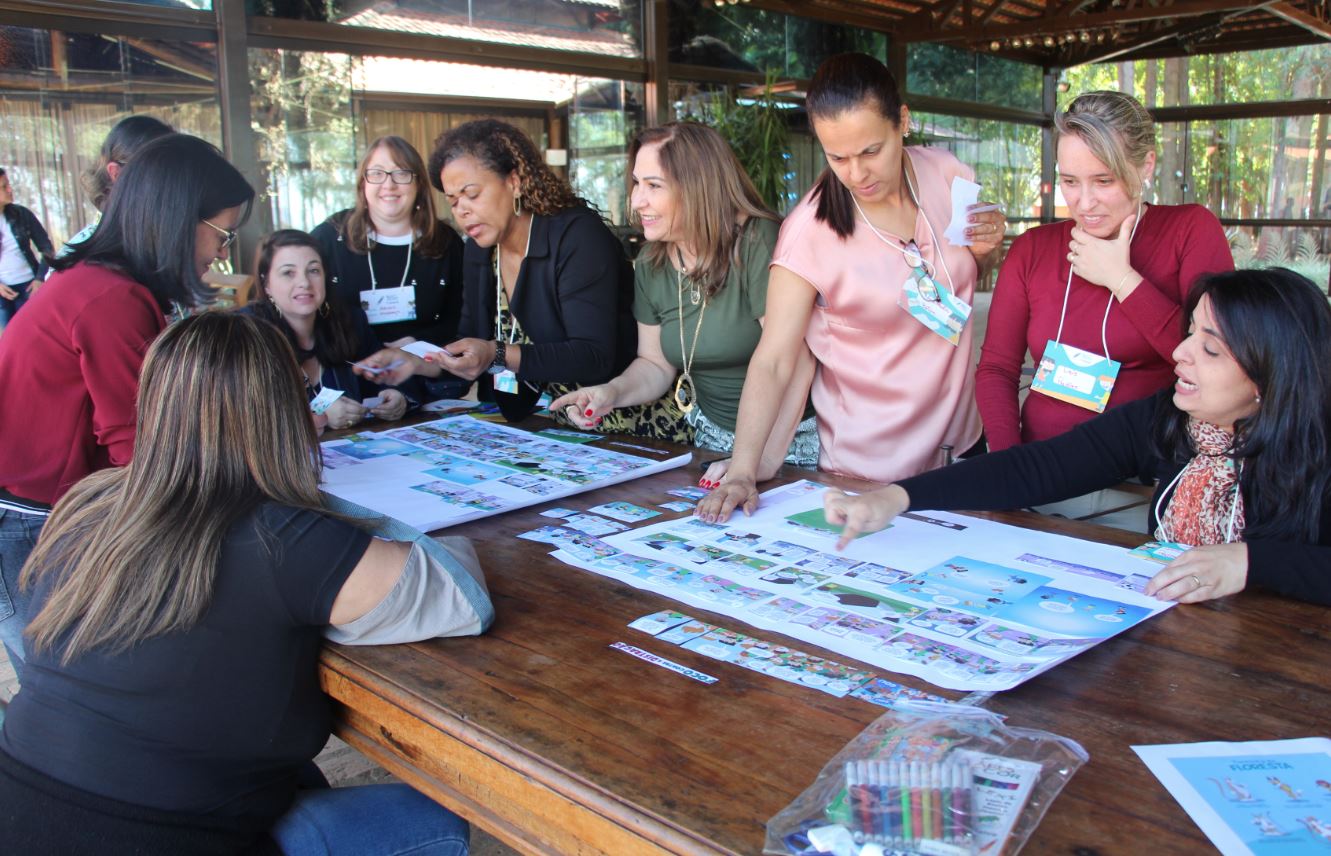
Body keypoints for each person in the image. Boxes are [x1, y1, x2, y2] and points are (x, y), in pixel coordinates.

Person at [0, 311, 491, 854]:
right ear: (282, 412)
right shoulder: (284, 536)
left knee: (300, 782)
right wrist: (306, 500)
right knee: (427, 823)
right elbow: (460, 595)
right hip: (154, 836)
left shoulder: (88, 504)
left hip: (22, 811)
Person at [821, 268, 1331, 608]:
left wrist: (1251, 560)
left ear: (1271, 376)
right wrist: (901, 495)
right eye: (1190, 332)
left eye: (1211, 349)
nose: (1180, 353)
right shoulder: (1169, 421)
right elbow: (1035, 470)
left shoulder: (1318, 448)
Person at [698, 53, 1006, 522]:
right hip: (866, 472)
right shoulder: (811, 231)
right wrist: (743, 468)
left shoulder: (947, 174)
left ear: (902, 121)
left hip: (961, 447)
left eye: (870, 151)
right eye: (837, 157)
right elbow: (775, 357)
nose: (856, 174)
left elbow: (970, 275)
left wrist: (990, 244)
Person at [0, 133, 254, 673]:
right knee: (65, 687)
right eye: (222, 235)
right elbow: (137, 450)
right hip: (28, 520)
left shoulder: (104, 282)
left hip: (45, 507)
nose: (223, 254)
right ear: (176, 220)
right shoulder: (111, 299)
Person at [550, 122, 817, 478]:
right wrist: (609, 393)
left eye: (653, 186)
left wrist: (757, 462)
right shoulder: (651, 261)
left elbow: (795, 363)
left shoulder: (757, 240)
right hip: (711, 436)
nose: (637, 200)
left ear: (697, 188)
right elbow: (655, 365)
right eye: (636, 183)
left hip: (791, 439)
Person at [977, 91, 1233, 452]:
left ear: (1146, 164)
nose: (1084, 202)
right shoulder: (1033, 249)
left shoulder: (1190, 230)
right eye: (1069, 181)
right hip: (1040, 463)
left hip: (1143, 473)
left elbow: (1218, 363)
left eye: (1103, 181)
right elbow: (997, 369)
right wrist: (1008, 465)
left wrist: (1122, 279)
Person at [359, 119, 639, 427]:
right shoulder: (479, 249)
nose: (462, 210)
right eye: (453, 201)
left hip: (607, 418)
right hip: (526, 423)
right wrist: (416, 361)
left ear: (514, 181)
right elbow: (470, 344)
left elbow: (592, 355)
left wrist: (498, 353)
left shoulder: (577, 236)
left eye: (472, 194)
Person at [311, 135, 468, 399]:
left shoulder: (446, 242)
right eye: (377, 174)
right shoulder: (329, 237)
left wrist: (417, 344)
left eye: (401, 173)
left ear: (418, 183)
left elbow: (462, 318)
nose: (389, 184)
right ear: (363, 183)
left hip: (422, 388)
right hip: (342, 390)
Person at [246, 229, 414, 432]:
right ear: (266, 284)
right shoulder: (247, 333)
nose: (304, 283)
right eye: (288, 273)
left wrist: (396, 396)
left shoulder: (350, 321)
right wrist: (314, 415)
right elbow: (239, 417)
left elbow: (384, 377)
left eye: (313, 270)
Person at [63, 114, 174, 254]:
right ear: (116, 173)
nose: (171, 187)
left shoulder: (154, 241)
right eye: (157, 173)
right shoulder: (88, 255)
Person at [0, 168, 54, 330]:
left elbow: (46, 247)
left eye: (9, 185)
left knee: (34, 334)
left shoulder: (22, 214)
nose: (10, 190)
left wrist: (39, 279)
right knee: (6, 344)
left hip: (29, 287)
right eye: (4, 187)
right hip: (3, 293)